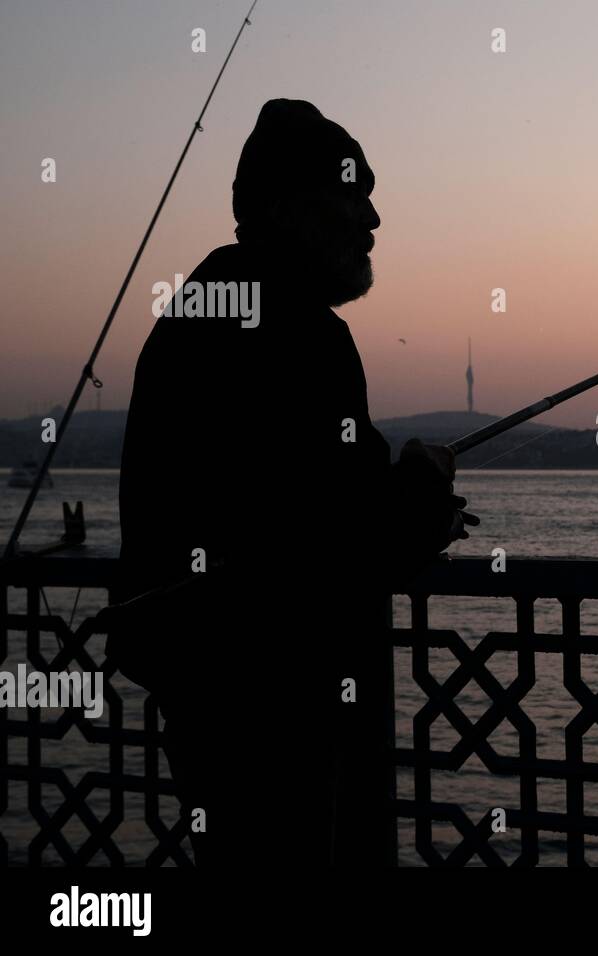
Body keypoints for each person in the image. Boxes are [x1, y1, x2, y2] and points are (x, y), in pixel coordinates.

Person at [112, 98, 475, 865]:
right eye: (351, 192)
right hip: (289, 710)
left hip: (203, 701)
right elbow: (347, 539)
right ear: (283, 208)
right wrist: (423, 488)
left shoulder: (193, 313)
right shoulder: (305, 334)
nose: (371, 218)